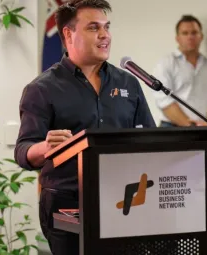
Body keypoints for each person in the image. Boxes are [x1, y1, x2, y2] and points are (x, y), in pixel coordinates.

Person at [14, 1, 155, 254]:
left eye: (106, 27)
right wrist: (45, 147)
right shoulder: (42, 89)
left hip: (123, 201)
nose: (105, 35)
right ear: (69, 34)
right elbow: (23, 152)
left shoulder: (129, 83)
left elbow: (150, 138)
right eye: (93, 28)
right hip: (68, 203)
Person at [152, 15, 207, 127]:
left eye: (194, 32)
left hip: (204, 130)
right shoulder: (166, 63)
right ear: (177, 38)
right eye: (185, 33)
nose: (190, 37)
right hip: (172, 128)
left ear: (201, 36)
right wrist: (190, 126)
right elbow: (164, 101)